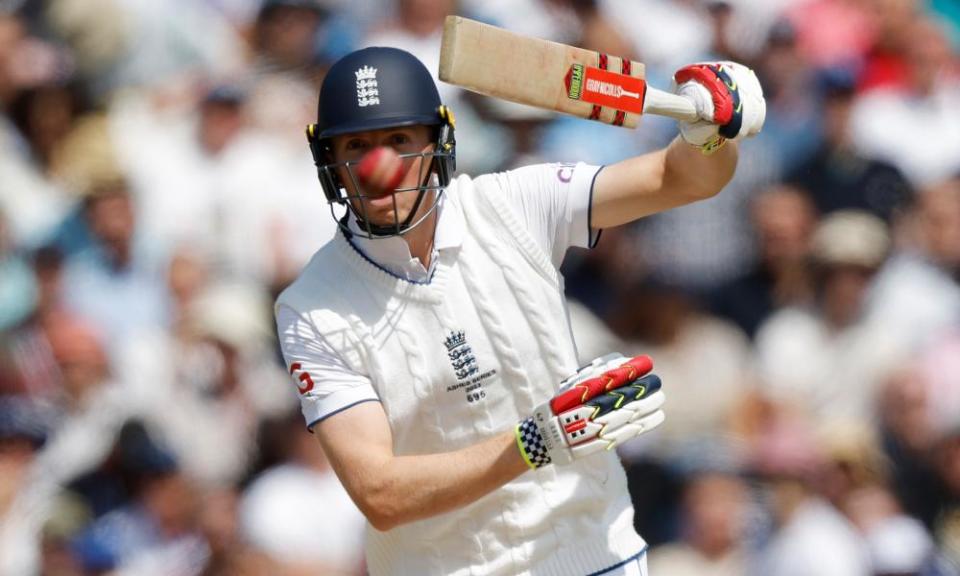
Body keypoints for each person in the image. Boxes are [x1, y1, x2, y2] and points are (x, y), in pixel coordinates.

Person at [275, 46, 764, 575]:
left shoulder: (513, 203)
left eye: (398, 140)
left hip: (595, 553)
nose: (379, 165)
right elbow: (380, 494)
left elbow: (685, 178)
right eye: (356, 145)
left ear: (436, 141)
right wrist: (535, 441)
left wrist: (708, 132)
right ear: (330, 161)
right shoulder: (311, 308)